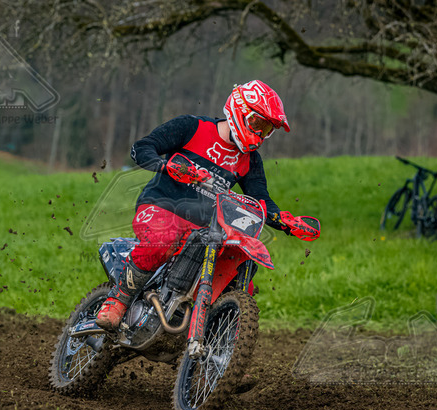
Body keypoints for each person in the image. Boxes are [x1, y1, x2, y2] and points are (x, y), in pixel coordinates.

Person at [96, 80, 296, 331]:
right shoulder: (192, 127)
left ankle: (218, 343)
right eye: (258, 124)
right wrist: (166, 166)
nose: (260, 134)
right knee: (163, 239)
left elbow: (260, 200)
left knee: (238, 272)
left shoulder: (250, 159)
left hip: (205, 228)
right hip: (160, 206)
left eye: (266, 130)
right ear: (240, 110)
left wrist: (286, 221)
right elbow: (142, 148)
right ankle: (118, 299)